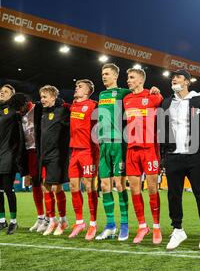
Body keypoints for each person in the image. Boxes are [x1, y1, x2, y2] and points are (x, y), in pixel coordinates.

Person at [158, 69, 200, 250]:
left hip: (195, 154)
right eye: (172, 77)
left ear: (188, 82)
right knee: (173, 195)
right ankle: (178, 229)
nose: (174, 79)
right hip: (173, 155)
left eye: (178, 77)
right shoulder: (166, 102)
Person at [123, 68, 163, 244]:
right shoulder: (126, 99)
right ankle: (142, 226)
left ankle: (156, 227)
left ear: (141, 80)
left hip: (149, 149)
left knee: (153, 188)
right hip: (132, 148)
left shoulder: (154, 96)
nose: (128, 80)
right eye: (128, 78)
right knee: (134, 189)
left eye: (131, 78)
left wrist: (156, 90)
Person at [95, 63, 132, 241]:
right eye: (102, 74)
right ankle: (110, 225)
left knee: (119, 184)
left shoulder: (124, 93)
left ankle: (124, 225)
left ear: (115, 76)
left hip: (118, 143)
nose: (104, 76)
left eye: (107, 74)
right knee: (104, 186)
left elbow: (139, 94)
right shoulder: (101, 94)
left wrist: (154, 90)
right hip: (103, 143)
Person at [34, 85, 70, 236]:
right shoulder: (42, 112)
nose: (42, 100)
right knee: (44, 187)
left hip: (57, 155)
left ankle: (63, 220)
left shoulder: (62, 110)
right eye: (41, 96)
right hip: (44, 155)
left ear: (54, 97)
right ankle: (52, 219)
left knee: (57, 188)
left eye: (45, 96)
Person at [0, 84, 25, 235]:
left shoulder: (14, 110)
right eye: (0, 91)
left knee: (8, 189)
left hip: (9, 155)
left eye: (5, 92)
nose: (1, 93)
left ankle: (13, 222)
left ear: (12, 95)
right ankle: (1, 221)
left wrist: (16, 155)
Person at [67, 79, 99, 240]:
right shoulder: (73, 105)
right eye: (76, 86)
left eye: (80, 87)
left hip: (88, 151)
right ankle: (79, 222)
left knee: (89, 187)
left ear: (87, 91)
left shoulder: (94, 105)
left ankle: (93, 224)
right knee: (73, 186)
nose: (76, 88)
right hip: (74, 152)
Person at [18, 95, 47, 233]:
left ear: (25, 104)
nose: (18, 111)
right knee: (35, 184)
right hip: (29, 152)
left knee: (46, 184)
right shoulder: (20, 115)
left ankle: (50, 217)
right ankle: (41, 217)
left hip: (42, 150)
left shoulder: (38, 108)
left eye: (20, 108)